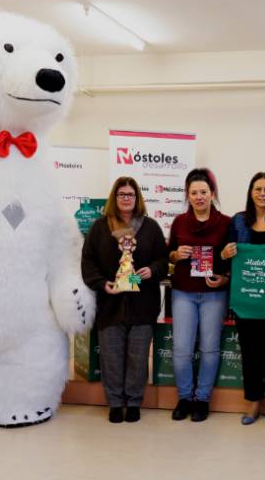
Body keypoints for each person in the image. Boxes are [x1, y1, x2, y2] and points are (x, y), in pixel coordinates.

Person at [81, 176, 169, 424]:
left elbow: (163, 260)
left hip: (143, 305)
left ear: (137, 197)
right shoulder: (100, 227)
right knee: (111, 357)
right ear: (114, 197)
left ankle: (133, 402)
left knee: (138, 357)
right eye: (122, 194)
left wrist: (153, 270)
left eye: (130, 194)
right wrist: (102, 284)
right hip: (110, 305)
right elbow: (88, 262)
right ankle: (115, 403)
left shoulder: (150, 227)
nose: (126, 198)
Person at [221, 172, 265, 426]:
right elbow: (224, 255)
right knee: (250, 352)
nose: (262, 193)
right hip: (245, 297)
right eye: (258, 189)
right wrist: (225, 253)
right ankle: (253, 401)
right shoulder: (238, 221)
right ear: (251, 192)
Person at [168, 168, 231, 422]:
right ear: (188, 195)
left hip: (213, 294)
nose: (199, 197)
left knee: (209, 349)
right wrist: (176, 255)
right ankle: (184, 397)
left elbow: (232, 260)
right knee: (182, 349)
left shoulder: (226, 223)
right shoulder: (179, 222)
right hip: (183, 292)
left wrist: (226, 277)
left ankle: (202, 399)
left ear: (212, 193)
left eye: (203, 192)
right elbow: (169, 254)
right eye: (194, 193)